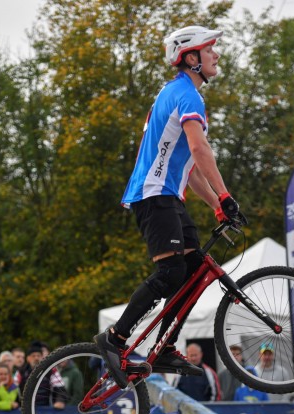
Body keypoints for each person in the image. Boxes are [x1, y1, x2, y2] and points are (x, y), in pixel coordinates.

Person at [93, 25, 242, 389]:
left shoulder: (176, 92)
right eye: (211, 50)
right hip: (153, 195)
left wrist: (215, 206)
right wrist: (225, 195)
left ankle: (165, 345)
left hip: (167, 196)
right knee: (171, 273)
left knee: (192, 272)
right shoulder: (187, 95)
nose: (217, 55)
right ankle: (114, 337)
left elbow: (188, 169)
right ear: (192, 58)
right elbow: (199, 151)